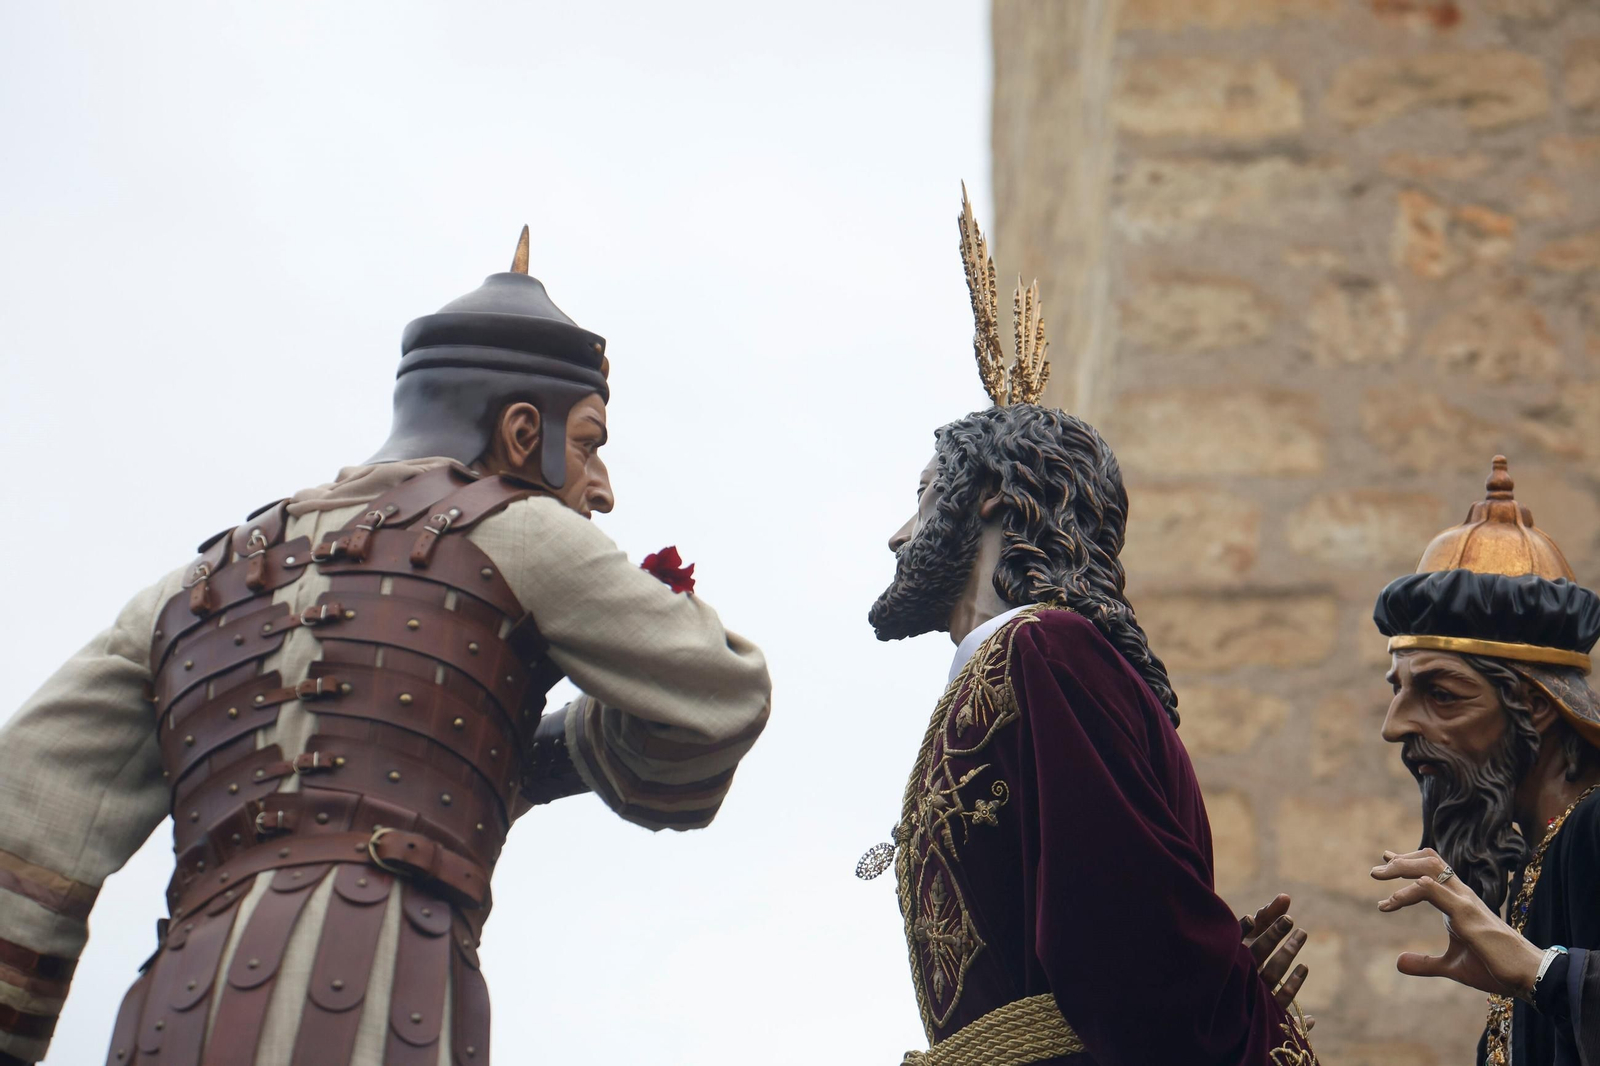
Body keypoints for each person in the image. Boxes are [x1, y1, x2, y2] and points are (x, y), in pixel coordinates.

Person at [0, 228, 771, 1066]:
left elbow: (23, 825)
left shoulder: (191, 587)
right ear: (522, 432)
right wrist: (551, 755)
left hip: (181, 1005)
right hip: (375, 985)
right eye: (586, 445)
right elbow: (720, 695)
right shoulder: (518, 529)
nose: (603, 489)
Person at [858, 190, 1316, 1066]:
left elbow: (1126, 927)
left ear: (987, 498)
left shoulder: (1049, 651)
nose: (899, 534)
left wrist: (1219, 995)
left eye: (922, 498)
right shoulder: (1026, 665)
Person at [1371, 456, 1600, 1064]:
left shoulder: (1595, 829)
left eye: (1440, 694)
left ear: (1537, 706)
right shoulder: (1540, 855)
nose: (1395, 727)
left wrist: (1544, 974)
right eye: (1397, 689)